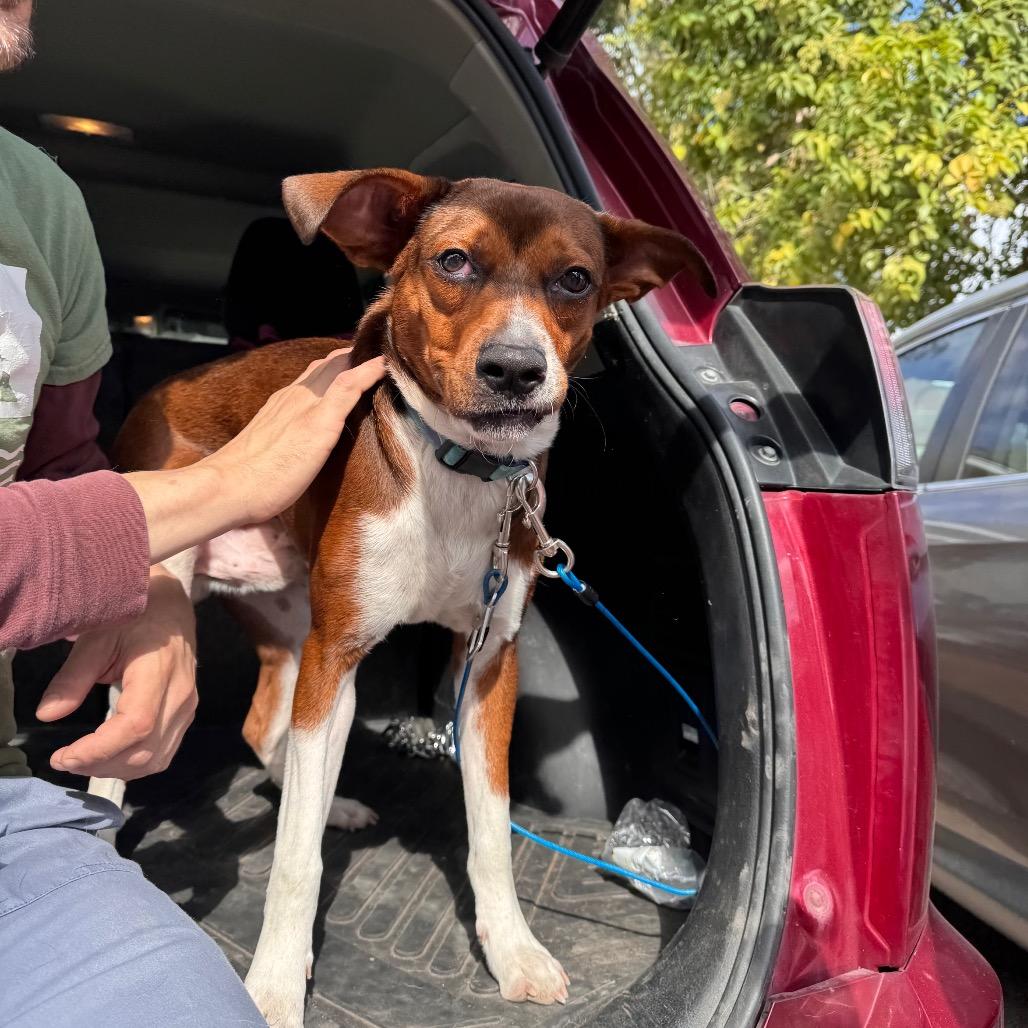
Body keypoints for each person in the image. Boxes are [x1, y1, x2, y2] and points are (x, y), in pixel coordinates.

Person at [0, 2, 385, 1023]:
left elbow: (63, 463)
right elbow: (129, 504)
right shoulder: (219, 474)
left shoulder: (41, 205)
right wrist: (214, 493)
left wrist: (156, 586)